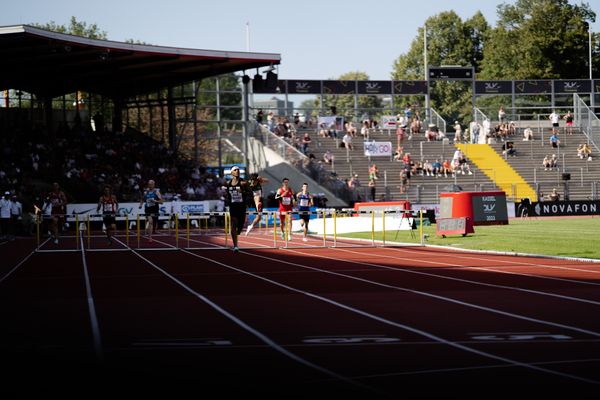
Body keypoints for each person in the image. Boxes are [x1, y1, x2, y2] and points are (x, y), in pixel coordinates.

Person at [223, 166, 250, 251]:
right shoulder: (228, 183)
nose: (237, 171)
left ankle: (238, 232)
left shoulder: (243, 183)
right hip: (233, 206)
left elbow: (251, 193)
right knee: (233, 224)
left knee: (240, 226)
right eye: (235, 170)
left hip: (242, 207)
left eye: (238, 170)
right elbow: (227, 194)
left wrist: (243, 192)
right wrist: (227, 196)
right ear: (231, 172)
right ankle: (235, 246)